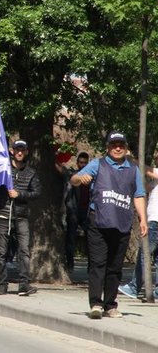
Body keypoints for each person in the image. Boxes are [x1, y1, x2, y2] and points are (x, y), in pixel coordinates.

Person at [71, 131, 147, 319]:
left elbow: (138, 195)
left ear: (126, 148)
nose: (117, 148)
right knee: (98, 264)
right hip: (98, 222)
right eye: (114, 145)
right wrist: (81, 179)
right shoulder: (98, 164)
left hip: (122, 223)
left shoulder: (133, 170)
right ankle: (96, 304)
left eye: (121, 145)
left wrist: (143, 219)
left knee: (115, 267)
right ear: (108, 147)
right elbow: (74, 180)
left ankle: (110, 305)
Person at [0, 139, 41, 296]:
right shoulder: (3, 170)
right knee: (0, 251)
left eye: (22, 150)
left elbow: (37, 193)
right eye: (17, 149)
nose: (19, 152)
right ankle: (2, 283)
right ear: (12, 151)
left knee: (24, 250)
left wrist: (20, 194)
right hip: (2, 214)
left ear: (26, 152)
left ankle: (24, 284)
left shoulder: (31, 172)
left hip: (21, 216)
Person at [119, 156, 158, 299]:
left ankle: (134, 287)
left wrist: (132, 160)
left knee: (144, 254)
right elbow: (145, 188)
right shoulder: (155, 180)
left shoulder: (156, 173)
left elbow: (148, 170)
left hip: (155, 222)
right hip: (153, 221)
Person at [55, 151, 91, 270]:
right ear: (77, 163)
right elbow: (62, 170)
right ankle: (70, 263)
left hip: (87, 212)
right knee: (70, 239)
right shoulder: (72, 175)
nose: (83, 165)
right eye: (81, 162)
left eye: (85, 163)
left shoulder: (92, 177)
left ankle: (91, 266)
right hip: (73, 211)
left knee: (90, 240)